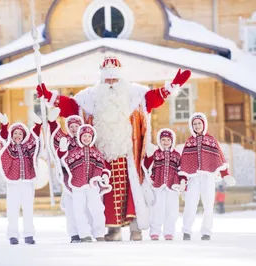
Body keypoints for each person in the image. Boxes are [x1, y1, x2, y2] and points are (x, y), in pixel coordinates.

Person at [37, 55, 191, 241]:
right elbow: (69, 106)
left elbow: (154, 98)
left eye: (114, 79)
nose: (110, 83)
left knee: (133, 192)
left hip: (129, 154)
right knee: (107, 194)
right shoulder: (89, 97)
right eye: (107, 79)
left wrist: (173, 86)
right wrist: (49, 97)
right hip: (101, 155)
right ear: (102, 79)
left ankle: (135, 228)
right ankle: (112, 229)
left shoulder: (134, 95)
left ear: (121, 79)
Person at [179, 112, 236, 241]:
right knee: (190, 204)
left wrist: (225, 174)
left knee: (208, 204)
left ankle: (206, 231)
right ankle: (187, 231)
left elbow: (218, 158)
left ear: (204, 124)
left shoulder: (211, 140)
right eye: (195, 124)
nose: (197, 125)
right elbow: (183, 164)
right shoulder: (189, 142)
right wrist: (183, 181)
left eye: (199, 123)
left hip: (208, 177)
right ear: (191, 126)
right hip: (193, 178)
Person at [57, 124, 112, 242]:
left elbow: (101, 166)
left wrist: (101, 176)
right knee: (79, 210)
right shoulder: (74, 153)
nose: (86, 138)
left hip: (92, 185)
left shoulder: (96, 153)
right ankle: (84, 234)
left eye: (89, 136)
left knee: (97, 208)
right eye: (84, 136)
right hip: (77, 186)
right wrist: (61, 151)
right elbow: (64, 162)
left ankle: (99, 233)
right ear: (80, 136)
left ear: (92, 138)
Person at [0, 112, 42, 245]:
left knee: (28, 208)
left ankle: (29, 234)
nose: (17, 136)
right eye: (15, 133)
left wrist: (38, 125)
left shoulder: (29, 146)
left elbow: (36, 138)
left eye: (20, 134)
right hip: (13, 182)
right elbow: (3, 137)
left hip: (27, 181)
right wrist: (4, 125)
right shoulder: (8, 146)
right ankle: (12, 234)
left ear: (24, 135)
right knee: (12, 208)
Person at [48, 107, 92, 243]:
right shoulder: (65, 140)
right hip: (70, 178)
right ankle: (74, 233)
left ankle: (86, 231)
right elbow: (55, 135)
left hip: (86, 179)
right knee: (71, 206)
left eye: (76, 126)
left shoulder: (86, 139)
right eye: (71, 126)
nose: (73, 129)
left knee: (86, 207)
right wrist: (52, 122)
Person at [142, 128, 183, 241]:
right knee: (157, 210)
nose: (166, 142)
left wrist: (183, 181)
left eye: (168, 140)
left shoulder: (176, 155)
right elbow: (147, 166)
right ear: (160, 141)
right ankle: (155, 232)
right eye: (163, 139)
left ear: (172, 140)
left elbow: (181, 169)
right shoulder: (156, 153)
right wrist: (148, 155)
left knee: (172, 211)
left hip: (173, 186)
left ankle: (169, 232)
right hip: (158, 185)